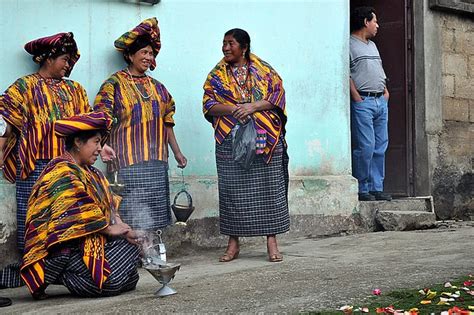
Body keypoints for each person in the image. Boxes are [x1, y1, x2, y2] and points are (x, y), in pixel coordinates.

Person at [0, 32, 91, 288]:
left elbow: (88, 125)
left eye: (71, 60)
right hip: (34, 167)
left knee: (67, 219)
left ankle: (64, 269)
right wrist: (0, 149)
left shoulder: (76, 90)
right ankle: (33, 270)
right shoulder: (24, 87)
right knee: (34, 220)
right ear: (47, 58)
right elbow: (4, 119)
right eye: (64, 58)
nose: (68, 65)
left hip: (67, 167)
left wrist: (100, 147)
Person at [20, 112, 140, 299]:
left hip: (92, 243)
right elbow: (78, 210)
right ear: (77, 142)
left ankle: (81, 277)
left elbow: (111, 208)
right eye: (96, 142)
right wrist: (108, 230)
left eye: (101, 143)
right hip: (64, 250)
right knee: (113, 282)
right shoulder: (61, 171)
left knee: (132, 273)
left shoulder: (95, 174)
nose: (100, 149)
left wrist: (126, 231)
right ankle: (60, 273)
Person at [202, 28, 289, 263]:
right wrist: (233, 108)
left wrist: (251, 107)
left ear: (244, 47)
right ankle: (233, 244)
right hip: (230, 141)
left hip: (265, 138)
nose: (225, 48)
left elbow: (277, 97)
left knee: (269, 188)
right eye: (223, 43)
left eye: (230, 43)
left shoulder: (265, 70)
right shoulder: (216, 76)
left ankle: (271, 241)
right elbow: (209, 104)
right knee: (232, 191)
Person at [94, 17, 187, 232]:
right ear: (130, 55)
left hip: (156, 162)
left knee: (154, 214)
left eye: (150, 53)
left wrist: (177, 152)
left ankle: (154, 252)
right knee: (129, 212)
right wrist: (102, 147)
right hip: (126, 163)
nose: (148, 57)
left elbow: (167, 122)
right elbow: (101, 120)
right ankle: (131, 254)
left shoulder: (159, 88)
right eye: (143, 52)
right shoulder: (113, 85)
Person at [350, 7, 392, 201]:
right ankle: (363, 187)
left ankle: (377, 187)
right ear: (365, 22)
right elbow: (346, 73)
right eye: (374, 21)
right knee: (366, 146)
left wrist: (385, 91)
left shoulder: (372, 45)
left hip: (380, 101)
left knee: (380, 146)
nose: (377, 25)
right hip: (363, 101)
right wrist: (356, 97)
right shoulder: (349, 44)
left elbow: (378, 69)